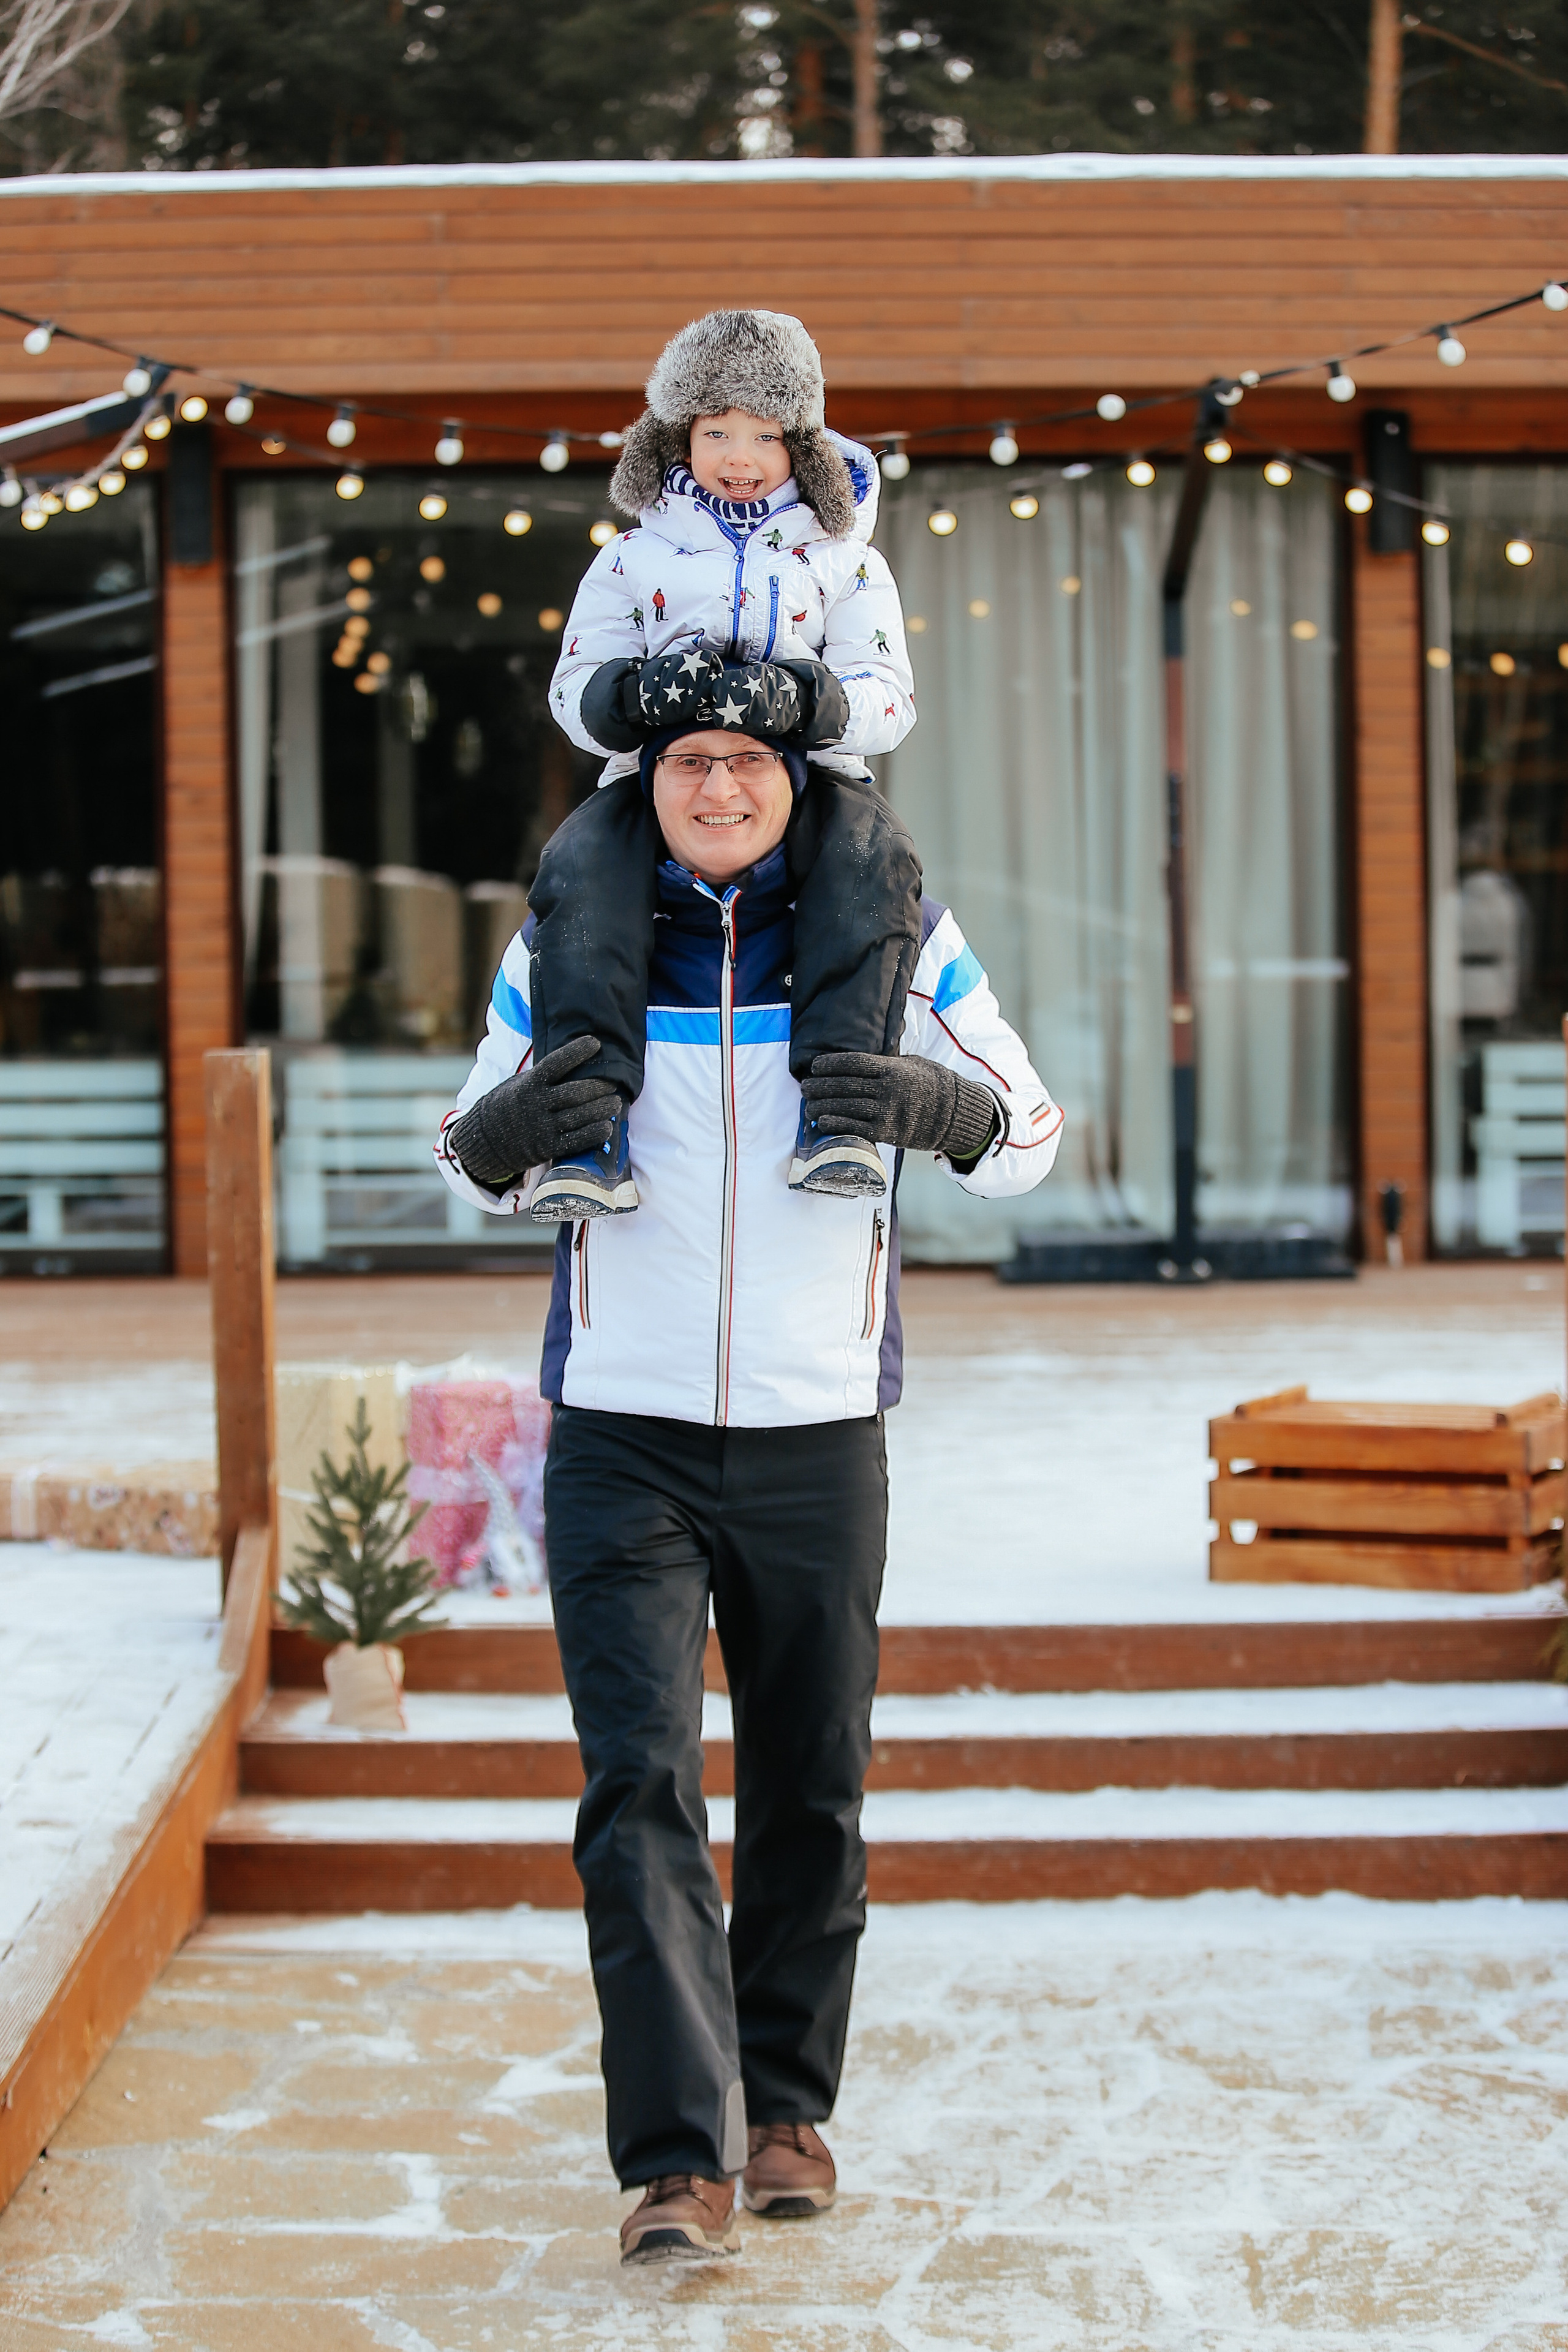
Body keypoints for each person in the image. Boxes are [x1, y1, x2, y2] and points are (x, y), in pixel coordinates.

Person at [435, 703, 1063, 2267]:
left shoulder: (896, 937)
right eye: (687, 766)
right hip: (621, 1432)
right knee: (634, 1792)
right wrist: (512, 1133)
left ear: (800, 781)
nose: (717, 788)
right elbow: (463, 1143)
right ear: (645, 786)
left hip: (813, 1430)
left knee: (810, 1785)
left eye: (748, 764)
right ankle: (670, 2162)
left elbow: (1030, 1134)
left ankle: (784, 2111)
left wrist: (939, 1108)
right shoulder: (576, 928)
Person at [526, 306, 921, 1223]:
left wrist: (807, 700)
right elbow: (571, 688)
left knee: (875, 864)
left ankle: (842, 1119)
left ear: (805, 445)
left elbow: (891, 696)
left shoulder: (846, 562)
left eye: (766, 433)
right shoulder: (631, 556)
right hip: (656, 779)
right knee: (582, 876)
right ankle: (585, 1133)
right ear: (678, 436)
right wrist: (636, 696)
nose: (740, 454)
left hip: (812, 777)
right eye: (716, 432)